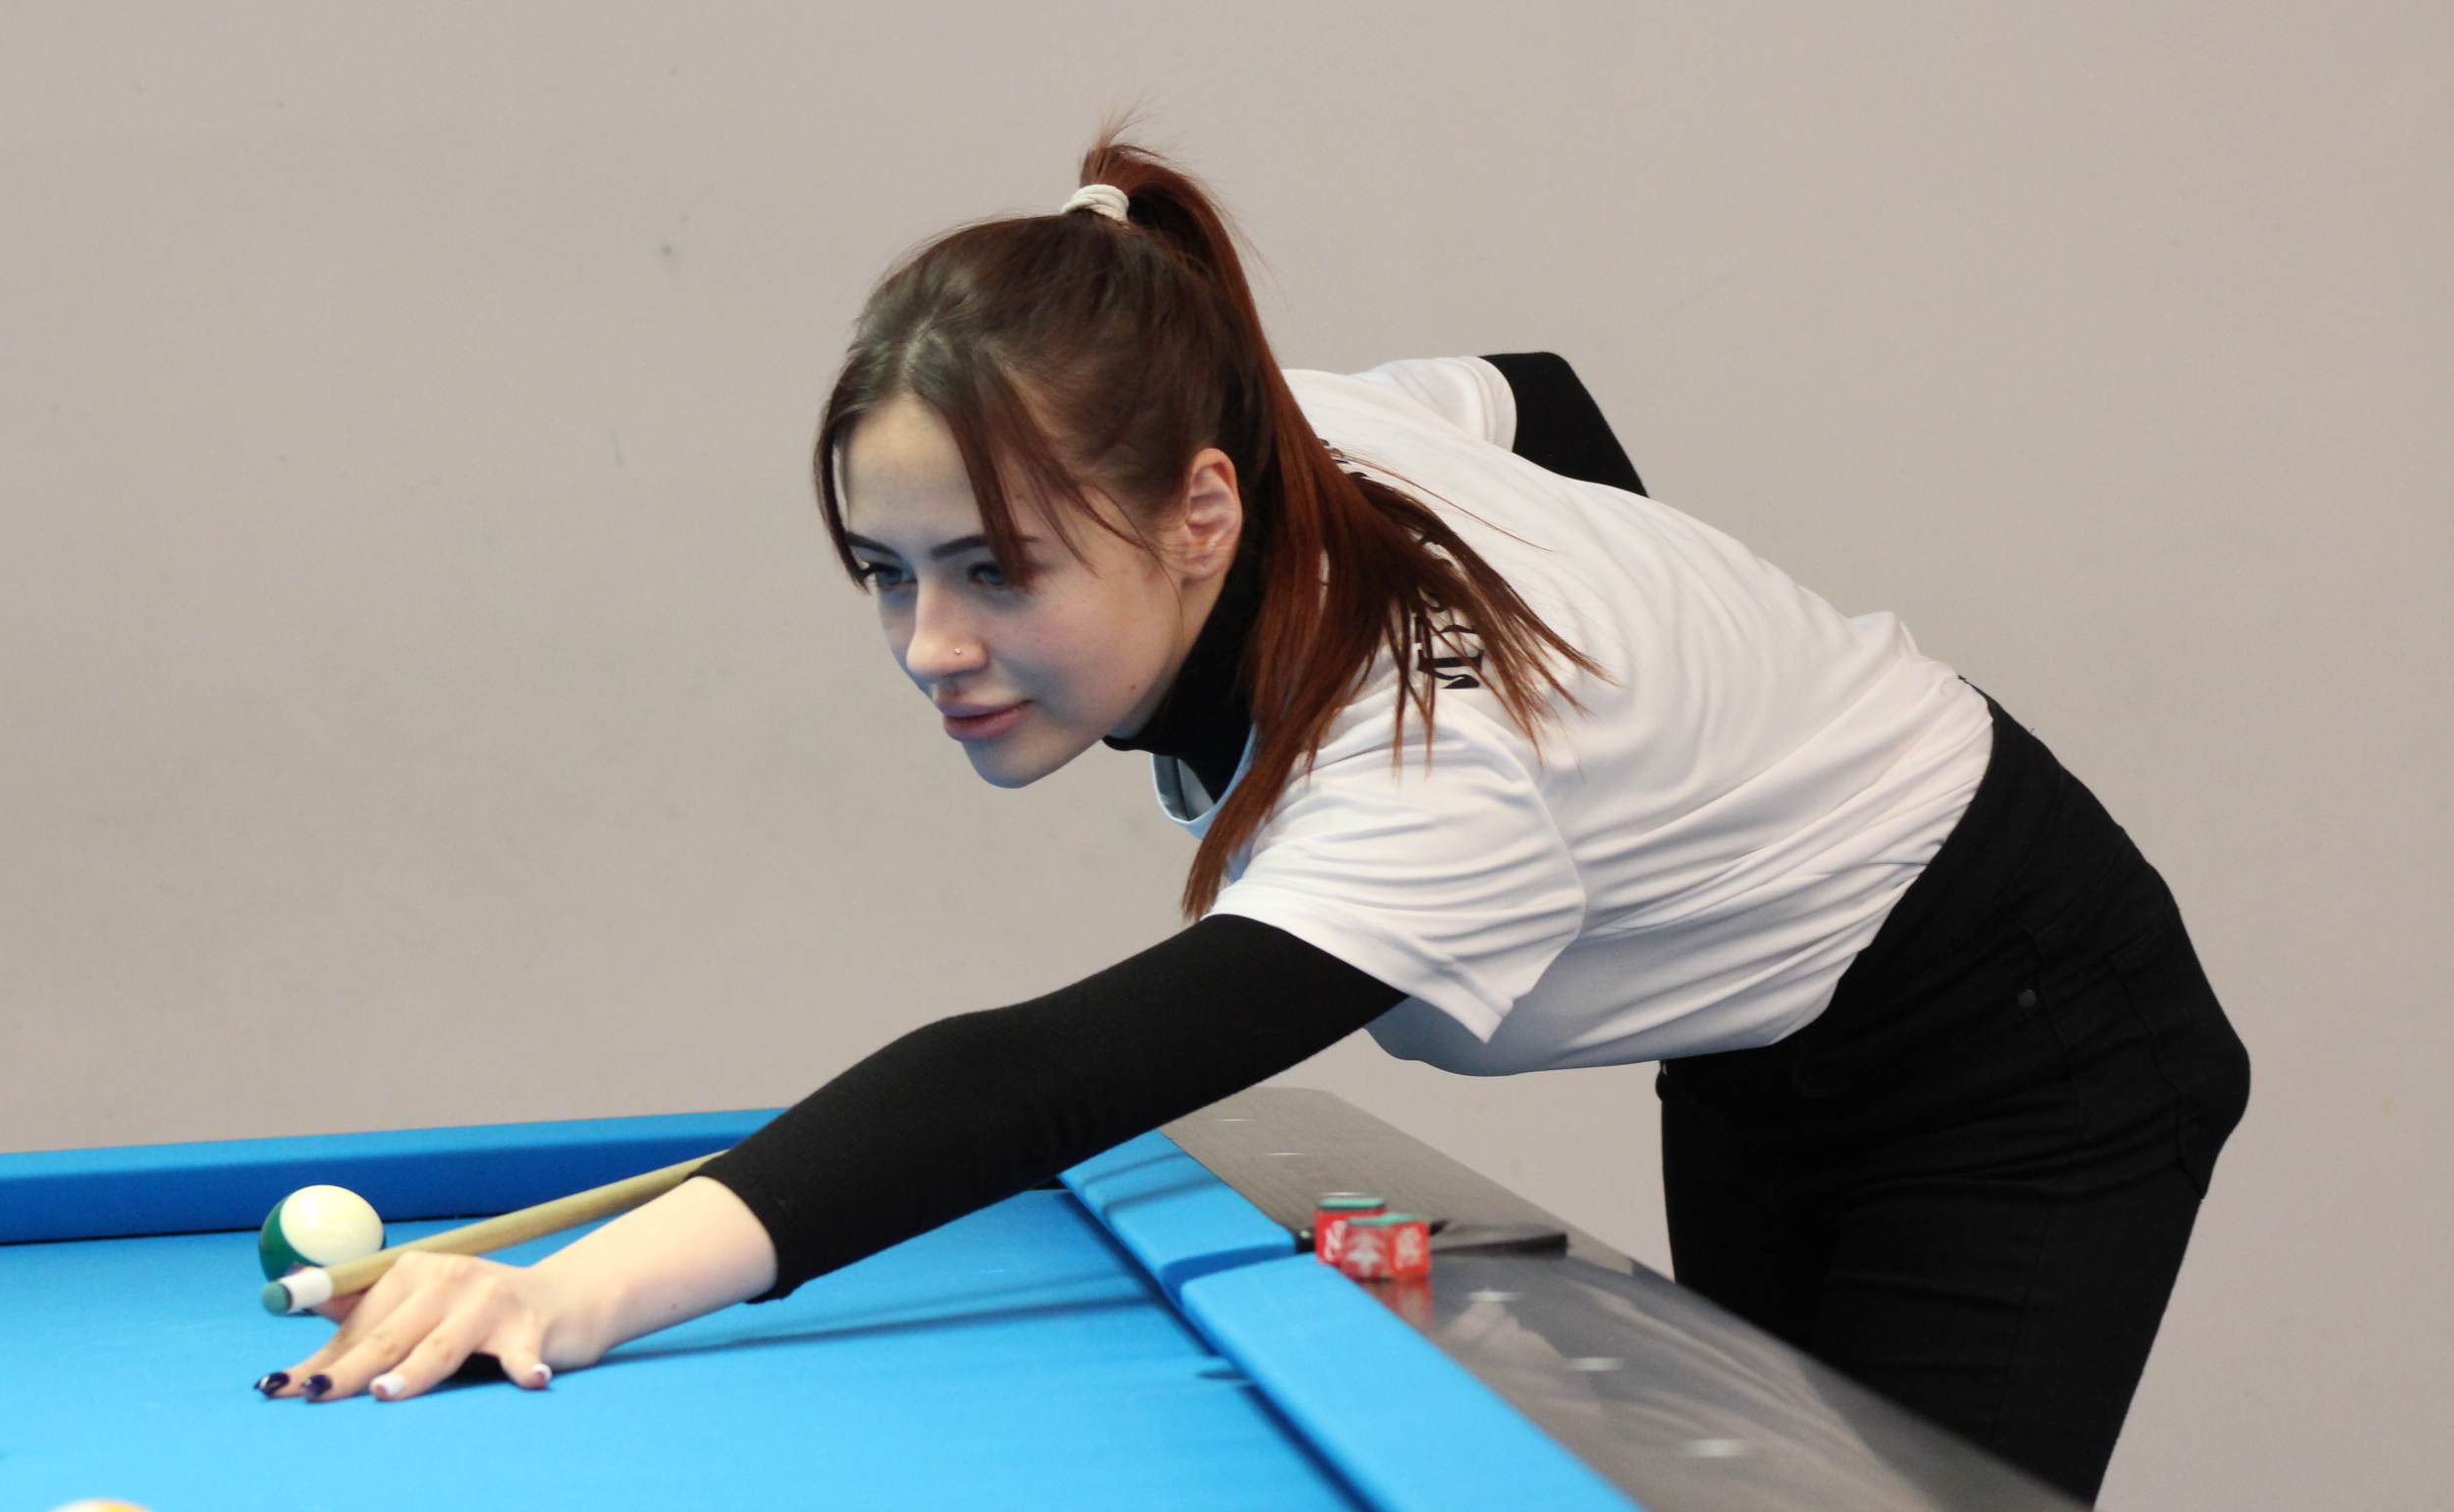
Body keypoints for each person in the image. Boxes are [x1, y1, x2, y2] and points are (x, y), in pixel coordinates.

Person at [264, 139, 2248, 1502]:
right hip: (1768, 1051)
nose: (932, 647)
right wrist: (1688, 721)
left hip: (2026, 1053)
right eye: (886, 570)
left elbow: (1037, 1079)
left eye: (999, 571)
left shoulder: (1433, 767)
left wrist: (570, 1287)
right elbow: (1535, 399)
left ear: (1199, 515)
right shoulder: (1250, 429)